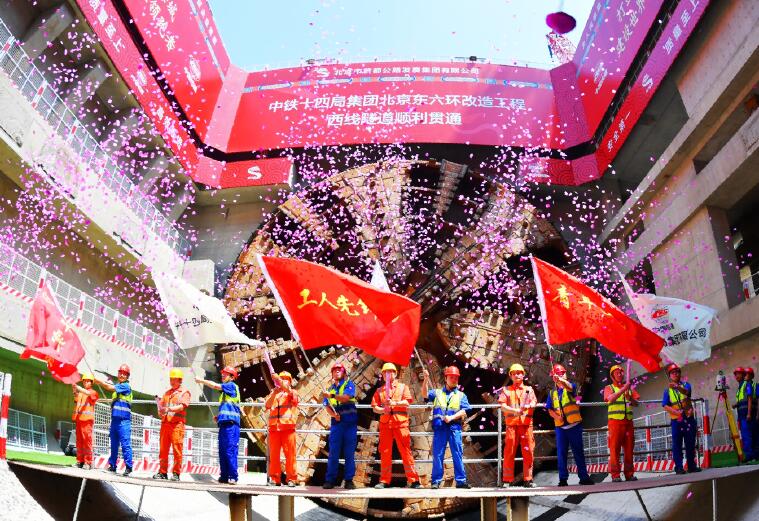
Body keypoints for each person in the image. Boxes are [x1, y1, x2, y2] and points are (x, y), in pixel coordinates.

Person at [371, 362, 421, 489]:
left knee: (405, 451)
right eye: (385, 373)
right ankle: (384, 481)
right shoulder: (379, 390)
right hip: (385, 424)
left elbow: (407, 403)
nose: (387, 374)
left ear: (395, 373)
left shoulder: (403, 387)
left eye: (390, 372)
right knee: (385, 452)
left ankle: (414, 480)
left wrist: (394, 403)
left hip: (400, 423)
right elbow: (374, 407)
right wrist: (383, 410)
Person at [421, 365, 471, 489]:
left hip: (454, 428)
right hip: (440, 428)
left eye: (456, 378)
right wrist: (426, 379)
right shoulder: (437, 393)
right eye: (451, 377)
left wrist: (452, 417)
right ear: (446, 378)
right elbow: (425, 394)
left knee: (457, 454)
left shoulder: (461, 395)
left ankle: (461, 481)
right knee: (438, 454)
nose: (454, 380)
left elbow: (464, 410)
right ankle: (436, 481)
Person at [545, 363, 594, 486]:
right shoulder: (552, 393)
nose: (561, 375)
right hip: (560, 428)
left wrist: (560, 380)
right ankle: (563, 479)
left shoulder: (572, 387)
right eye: (558, 374)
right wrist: (557, 417)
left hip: (574, 426)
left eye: (562, 373)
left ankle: (584, 477)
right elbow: (550, 409)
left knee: (578, 452)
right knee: (561, 454)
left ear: (565, 374)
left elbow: (569, 387)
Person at [196, 366, 242, 484]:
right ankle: (224, 476)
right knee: (222, 451)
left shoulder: (231, 386)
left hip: (231, 425)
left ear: (232, 377)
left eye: (225, 374)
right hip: (224, 424)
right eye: (223, 373)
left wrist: (201, 381)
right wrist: (219, 417)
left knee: (230, 451)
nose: (223, 375)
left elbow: (215, 386)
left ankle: (233, 476)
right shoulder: (224, 394)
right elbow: (228, 408)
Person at [498, 363, 537, 488]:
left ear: (523, 375)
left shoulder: (529, 390)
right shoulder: (506, 390)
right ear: (510, 376)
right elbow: (502, 406)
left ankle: (528, 479)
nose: (517, 375)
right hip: (512, 426)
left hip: (526, 425)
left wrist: (529, 405)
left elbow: (534, 402)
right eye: (514, 373)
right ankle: (507, 480)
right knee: (509, 452)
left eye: (519, 373)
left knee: (528, 451)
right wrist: (514, 411)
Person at [321, 362, 358, 489]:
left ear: (344, 373)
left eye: (339, 370)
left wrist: (331, 395)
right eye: (334, 370)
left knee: (349, 453)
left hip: (350, 424)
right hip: (337, 425)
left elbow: (346, 398)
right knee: (333, 453)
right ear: (332, 373)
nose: (337, 371)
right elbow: (327, 406)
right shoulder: (329, 390)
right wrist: (333, 415)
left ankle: (349, 480)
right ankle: (330, 480)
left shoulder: (349, 385)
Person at [94, 364, 133, 476]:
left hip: (124, 421)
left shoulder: (126, 386)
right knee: (114, 444)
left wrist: (98, 382)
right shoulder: (117, 390)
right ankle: (112, 466)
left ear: (127, 376)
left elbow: (109, 387)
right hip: (115, 420)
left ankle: (128, 467)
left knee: (125, 444)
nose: (122, 375)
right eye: (120, 373)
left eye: (124, 374)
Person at [662, 363, 701, 474]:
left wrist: (677, 387)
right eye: (672, 373)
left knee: (690, 443)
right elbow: (665, 405)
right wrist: (675, 412)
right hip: (676, 420)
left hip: (688, 418)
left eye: (677, 372)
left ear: (680, 374)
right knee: (677, 444)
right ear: (670, 375)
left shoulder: (686, 385)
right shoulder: (667, 390)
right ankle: (679, 467)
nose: (675, 374)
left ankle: (691, 466)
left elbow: (686, 392)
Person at [603, 364, 640, 482]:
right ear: (612, 376)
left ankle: (629, 474)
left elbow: (636, 403)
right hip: (615, 423)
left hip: (628, 422)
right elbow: (610, 398)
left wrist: (630, 398)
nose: (620, 374)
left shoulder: (628, 387)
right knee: (614, 449)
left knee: (629, 449)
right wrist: (624, 389)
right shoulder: (609, 387)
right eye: (617, 373)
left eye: (621, 372)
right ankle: (615, 475)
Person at [153, 368, 191, 481]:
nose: (172, 381)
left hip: (177, 425)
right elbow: (161, 408)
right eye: (171, 379)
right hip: (165, 424)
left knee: (177, 449)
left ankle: (176, 473)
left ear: (180, 380)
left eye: (174, 379)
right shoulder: (167, 393)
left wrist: (168, 409)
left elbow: (182, 407)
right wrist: (160, 410)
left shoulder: (184, 393)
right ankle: (162, 472)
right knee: (163, 450)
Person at [265, 371, 299, 486]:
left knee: (290, 455)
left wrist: (278, 380)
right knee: (274, 455)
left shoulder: (292, 392)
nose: (283, 380)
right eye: (281, 378)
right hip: (274, 429)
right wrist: (274, 393)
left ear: (290, 382)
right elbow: (267, 405)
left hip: (288, 428)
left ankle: (291, 479)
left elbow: (293, 398)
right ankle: (275, 479)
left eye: (285, 379)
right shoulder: (274, 393)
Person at [71, 373, 99, 470]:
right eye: (84, 381)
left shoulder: (93, 392)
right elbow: (76, 399)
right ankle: (80, 461)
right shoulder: (81, 394)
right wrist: (74, 390)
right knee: (79, 441)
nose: (86, 382)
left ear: (91, 383)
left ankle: (87, 462)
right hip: (79, 419)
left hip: (87, 421)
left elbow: (88, 393)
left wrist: (78, 388)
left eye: (88, 381)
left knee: (87, 441)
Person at [732, 367, 754, 462]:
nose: (736, 376)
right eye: (735, 374)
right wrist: (736, 404)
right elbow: (742, 400)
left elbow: (749, 399)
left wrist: (749, 413)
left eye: (738, 374)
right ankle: (748, 454)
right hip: (741, 415)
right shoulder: (739, 387)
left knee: (747, 435)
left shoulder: (747, 384)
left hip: (745, 414)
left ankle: (749, 455)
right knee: (744, 435)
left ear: (743, 374)